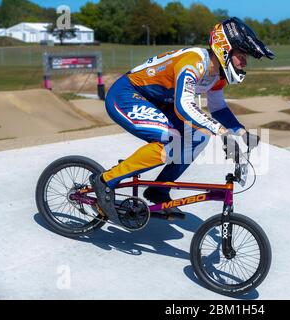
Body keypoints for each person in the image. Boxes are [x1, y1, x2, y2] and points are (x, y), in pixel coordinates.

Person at [90, 17, 275, 224]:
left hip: (157, 102)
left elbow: (218, 108)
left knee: (200, 137)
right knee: (171, 139)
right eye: (241, 56)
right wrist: (222, 132)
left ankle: (159, 190)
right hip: (126, 95)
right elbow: (184, 106)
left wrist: (241, 132)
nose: (245, 63)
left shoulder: (217, 76)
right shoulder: (194, 62)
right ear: (225, 49)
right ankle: (106, 181)